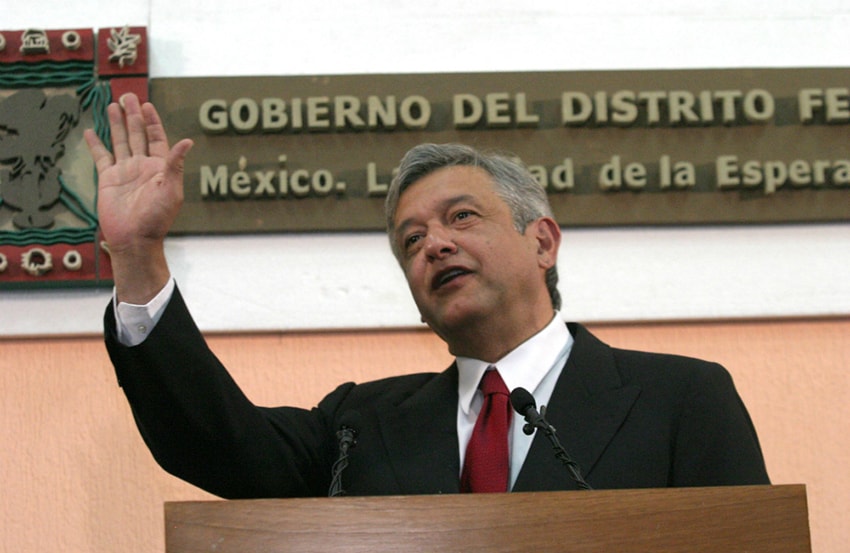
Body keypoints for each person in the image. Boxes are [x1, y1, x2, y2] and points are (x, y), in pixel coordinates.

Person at [85, 93, 770, 499]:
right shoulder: (358, 424)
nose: (434, 245)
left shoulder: (684, 400)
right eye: (410, 241)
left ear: (543, 241)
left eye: (461, 217)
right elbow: (218, 444)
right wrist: (138, 256)